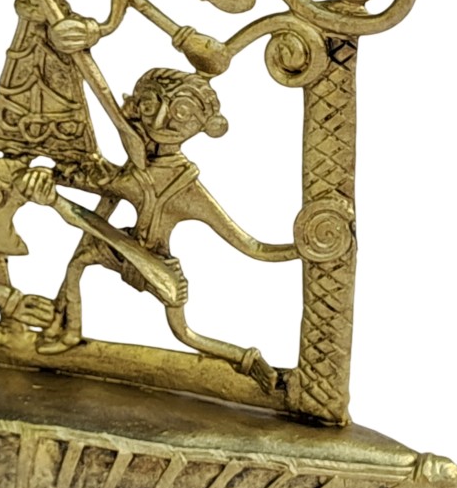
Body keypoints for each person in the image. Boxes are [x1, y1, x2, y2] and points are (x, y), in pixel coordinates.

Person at [26, 68, 297, 390]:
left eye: (181, 113)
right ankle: (70, 333)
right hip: (124, 249)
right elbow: (97, 181)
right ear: (135, 108)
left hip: (159, 268)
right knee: (79, 263)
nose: (160, 121)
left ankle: (249, 360)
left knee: (184, 333)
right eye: (151, 106)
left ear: (208, 125)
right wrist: (48, 175)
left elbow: (249, 245)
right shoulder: (138, 170)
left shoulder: (185, 188)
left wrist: (300, 252)